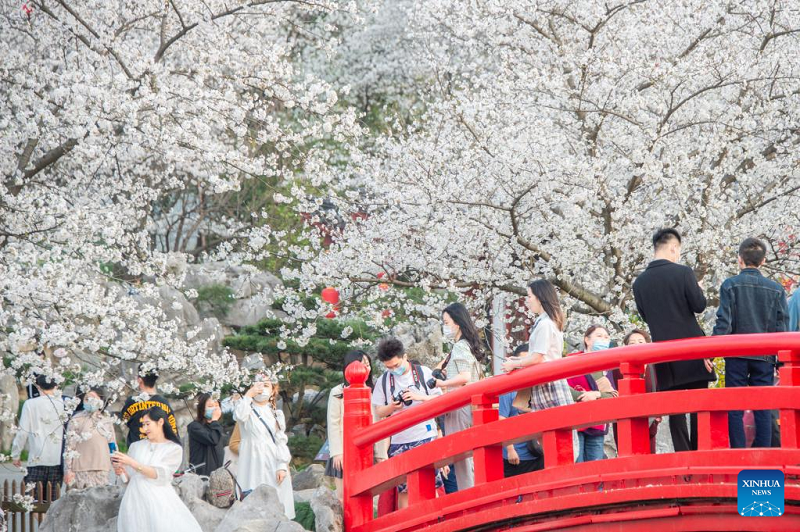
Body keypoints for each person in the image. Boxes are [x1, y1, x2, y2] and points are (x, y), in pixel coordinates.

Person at [632, 228, 715, 452]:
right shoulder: (683, 273)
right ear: (673, 247)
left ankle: (683, 456)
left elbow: (645, 316)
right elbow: (699, 306)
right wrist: (698, 289)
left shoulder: (639, 283)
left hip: (663, 352)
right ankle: (701, 453)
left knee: (676, 410)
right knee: (699, 406)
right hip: (691, 348)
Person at [712, 237, 789, 448]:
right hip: (764, 356)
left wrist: (709, 353)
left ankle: (738, 452)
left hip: (736, 354)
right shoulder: (776, 289)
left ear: (740, 260)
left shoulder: (730, 285)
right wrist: (780, 361)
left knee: (734, 405)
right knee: (762, 405)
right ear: (763, 261)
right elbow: (781, 327)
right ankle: (763, 452)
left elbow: (724, 323)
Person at [502, 279, 577, 458]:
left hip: (547, 384)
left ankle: (562, 467)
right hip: (547, 382)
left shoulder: (544, 324)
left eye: (529, 296)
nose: (528, 301)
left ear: (540, 298)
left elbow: (538, 357)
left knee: (554, 431)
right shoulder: (547, 322)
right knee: (552, 432)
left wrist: (514, 364)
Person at [372, 337, 444, 509]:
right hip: (399, 440)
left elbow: (440, 399)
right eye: (389, 367)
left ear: (405, 357)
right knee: (404, 489)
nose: (393, 370)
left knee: (430, 483)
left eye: (396, 365)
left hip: (425, 434)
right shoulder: (384, 380)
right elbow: (379, 411)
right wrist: (392, 406)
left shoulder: (423, 372)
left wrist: (419, 397)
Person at [112, 407, 202, 532]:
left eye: (148, 424)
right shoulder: (136, 446)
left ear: (160, 422)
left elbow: (159, 474)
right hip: (134, 501)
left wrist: (131, 462)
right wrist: (121, 470)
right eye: (143, 425)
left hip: (158, 500)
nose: (145, 428)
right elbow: (128, 479)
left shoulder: (173, 449)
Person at [427, 302, 484, 491]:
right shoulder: (466, 345)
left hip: (460, 407)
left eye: (446, 322)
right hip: (470, 406)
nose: (445, 327)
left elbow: (465, 376)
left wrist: (442, 384)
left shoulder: (460, 346)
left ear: (457, 323)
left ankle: (470, 496)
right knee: (470, 458)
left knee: (463, 459)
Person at [326, 350, 388, 501]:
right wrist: (337, 452)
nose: (366, 368)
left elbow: (382, 422)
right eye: (361, 364)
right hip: (344, 448)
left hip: (370, 448)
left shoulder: (376, 391)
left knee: (369, 495)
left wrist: (381, 453)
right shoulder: (338, 392)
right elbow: (333, 423)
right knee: (343, 495)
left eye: (367, 364)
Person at [234, 378, 294, 518]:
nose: (262, 388)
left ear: (273, 391)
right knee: (251, 500)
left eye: (266, 385)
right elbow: (239, 416)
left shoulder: (276, 414)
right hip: (251, 461)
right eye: (258, 384)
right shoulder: (245, 408)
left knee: (277, 501)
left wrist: (282, 465)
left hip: (272, 461)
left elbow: (280, 440)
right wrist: (248, 395)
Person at [566, 325, 618, 462]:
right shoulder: (571, 360)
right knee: (577, 462)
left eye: (606, 337)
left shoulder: (606, 366)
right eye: (599, 336)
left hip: (597, 421)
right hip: (574, 419)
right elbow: (562, 388)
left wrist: (596, 394)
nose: (603, 340)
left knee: (595, 466)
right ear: (587, 340)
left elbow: (613, 395)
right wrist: (583, 396)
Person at [11, 374, 65, 500]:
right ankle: (48, 520)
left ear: (38, 386)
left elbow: (22, 432)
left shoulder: (30, 404)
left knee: (31, 500)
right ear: (56, 386)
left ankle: (42, 520)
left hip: (36, 458)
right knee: (53, 501)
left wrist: (16, 454)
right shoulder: (63, 404)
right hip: (56, 460)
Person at [607, 329, 661, 454]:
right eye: (632, 343)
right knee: (627, 453)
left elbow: (658, 391)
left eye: (640, 341)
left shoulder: (654, 367)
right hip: (625, 416)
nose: (636, 345)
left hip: (649, 417)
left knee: (649, 453)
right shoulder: (617, 368)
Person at [499, 344, 545, 477]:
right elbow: (502, 420)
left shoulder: (537, 385)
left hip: (538, 451)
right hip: (518, 453)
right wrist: (510, 449)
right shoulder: (508, 389)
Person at [64, 387, 116, 489]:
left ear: (101, 401)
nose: (89, 401)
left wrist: (117, 464)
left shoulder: (106, 421)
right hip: (80, 470)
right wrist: (68, 470)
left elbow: (112, 444)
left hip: (101, 469)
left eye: (92, 398)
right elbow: (69, 447)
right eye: (86, 399)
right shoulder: (76, 420)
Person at [121, 367, 178, 447]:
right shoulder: (164, 403)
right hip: (158, 450)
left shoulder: (131, 402)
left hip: (136, 449)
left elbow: (124, 420)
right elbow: (173, 429)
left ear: (139, 380)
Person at [187, 393, 224, 476]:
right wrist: (214, 420)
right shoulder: (195, 427)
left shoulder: (217, 427)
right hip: (202, 475)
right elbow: (213, 439)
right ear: (202, 409)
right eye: (210, 406)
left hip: (218, 474)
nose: (214, 409)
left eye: (216, 405)